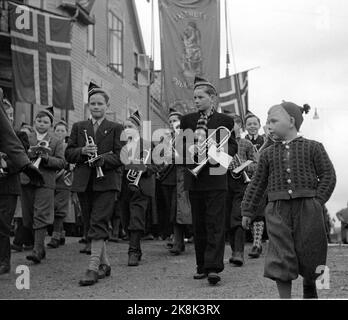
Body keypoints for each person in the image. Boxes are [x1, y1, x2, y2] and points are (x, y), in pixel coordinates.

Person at [242, 101, 336, 299]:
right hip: (277, 210)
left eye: (273, 120)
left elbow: (328, 175)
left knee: (314, 252)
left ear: (291, 121)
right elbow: (257, 183)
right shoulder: (267, 154)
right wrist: (248, 210)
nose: (269, 125)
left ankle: (312, 288)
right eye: (267, 122)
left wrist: (317, 202)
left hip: (308, 209)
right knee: (279, 254)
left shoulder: (314, 147)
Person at [180, 76, 238, 285]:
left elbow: (232, 147)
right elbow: (180, 148)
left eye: (200, 97)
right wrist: (190, 150)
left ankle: (214, 267)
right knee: (199, 224)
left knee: (215, 223)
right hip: (195, 178)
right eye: (194, 97)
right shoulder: (187, 120)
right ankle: (201, 266)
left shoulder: (225, 121)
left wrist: (219, 153)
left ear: (212, 98)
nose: (196, 101)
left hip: (216, 178)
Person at [65, 83, 123, 286]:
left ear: (107, 106)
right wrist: (83, 151)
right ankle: (105, 264)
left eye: (100, 103)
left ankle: (92, 267)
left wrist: (102, 160)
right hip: (84, 182)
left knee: (98, 222)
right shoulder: (79, 127)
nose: (96, 106)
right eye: (92, 103)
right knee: (91, 223)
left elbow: (121, 156)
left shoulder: (116, 128)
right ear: (88, 105)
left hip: (106, 182)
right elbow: (68, 154)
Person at [0, 97, 40, 275]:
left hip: (8, 187)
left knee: (2, 225)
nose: (6, 117)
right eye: (5, 114)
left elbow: (19, 158)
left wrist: (4, 163)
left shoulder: (19, 135)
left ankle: (4, 261)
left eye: (9, 114)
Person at [21, 109, 65, 264]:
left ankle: (37, 249)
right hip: (27, 179)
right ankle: (39, 247)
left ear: (50, 125)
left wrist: (46, 158)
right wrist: (31, 154)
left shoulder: (56, 141)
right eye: (39, 121)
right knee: (27, 218)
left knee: (41, 214)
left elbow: (61, 162)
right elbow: (18, 155)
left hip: (45, 181)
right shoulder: (27, 137)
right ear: (34, 122)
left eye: (46, 122)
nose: (42, 124)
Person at [120, 111, 158, 266]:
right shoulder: (120, 145)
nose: (127, 129)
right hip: (124, 186)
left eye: (130, 126)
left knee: (136, 218)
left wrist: (144, 168)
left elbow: (157, 166)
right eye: (125, 127)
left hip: (141, 186)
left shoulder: (148, 144)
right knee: (126, 219)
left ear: (138, 128)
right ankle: (136, 247)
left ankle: (133, 251)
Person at [158, 108, 192, 255]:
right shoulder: (166, 138)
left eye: (176, 121)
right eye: (170, 121)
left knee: (178, 209)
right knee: (170, 209)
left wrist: (176, 154)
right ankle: (175, 237)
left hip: (181, 176)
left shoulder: (187, 137)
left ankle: (179, 241)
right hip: (167, 177)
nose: (172, 124)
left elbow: (191, 155)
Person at [225, 114, 257, 266]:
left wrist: (242, 166)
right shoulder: (221, 144)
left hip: (241, 184)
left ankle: (238, 253)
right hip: (224, 184)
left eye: (233, 124)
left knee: (237, 217)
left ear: (239, 126)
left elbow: (256, 163)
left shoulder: (246, 144)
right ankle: (234, 250)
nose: (231, 127)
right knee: (228, 218)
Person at [244, 113, 267, 258]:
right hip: (246, 179)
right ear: (245, 127)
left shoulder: (265, 140)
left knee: (259, 211)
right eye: (249, 124)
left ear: (259, 125)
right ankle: (255, 240)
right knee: (249, 211)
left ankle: (257, 244)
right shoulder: (242, 141)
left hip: (262, 180)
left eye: (254, 124)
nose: (252, 126)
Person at [47, 121, 71, 248]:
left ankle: (56, 236)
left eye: (62, 130)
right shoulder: (50, 144)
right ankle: (61, 233)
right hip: (51, 178)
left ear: (66, 133)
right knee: (52, 206)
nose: (60, 133)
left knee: (60, 207)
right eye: (57, 130)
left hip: (64, 180)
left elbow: (69, 162)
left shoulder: (68, 146)